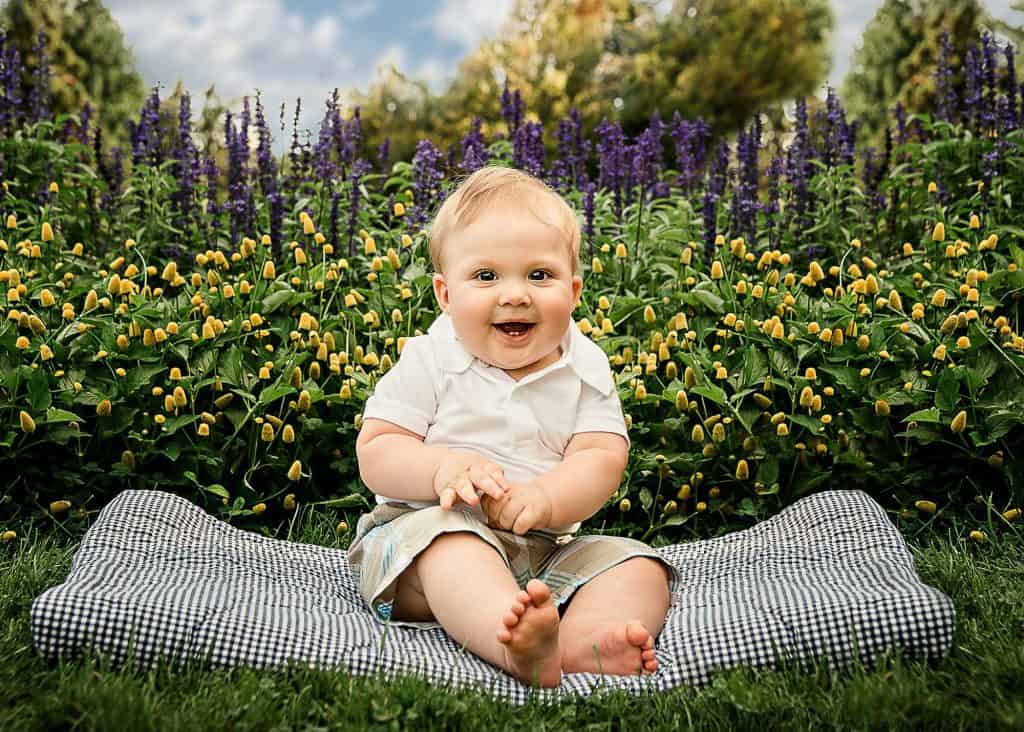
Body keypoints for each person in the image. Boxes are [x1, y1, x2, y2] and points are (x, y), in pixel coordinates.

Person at [349, 165, 678, 688]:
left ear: (573, 292)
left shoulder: (584, 366)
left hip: (544, 549)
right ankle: (513, 646)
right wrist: (441, 469)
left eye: (539, 276)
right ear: (445, 295)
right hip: (422, 540)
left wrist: (546, 499)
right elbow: (378, 451)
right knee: (455, 547)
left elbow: (601, 456)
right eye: (486, 276)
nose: (515, 294)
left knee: (639, 565)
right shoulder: (432, 358)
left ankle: (578, 640)